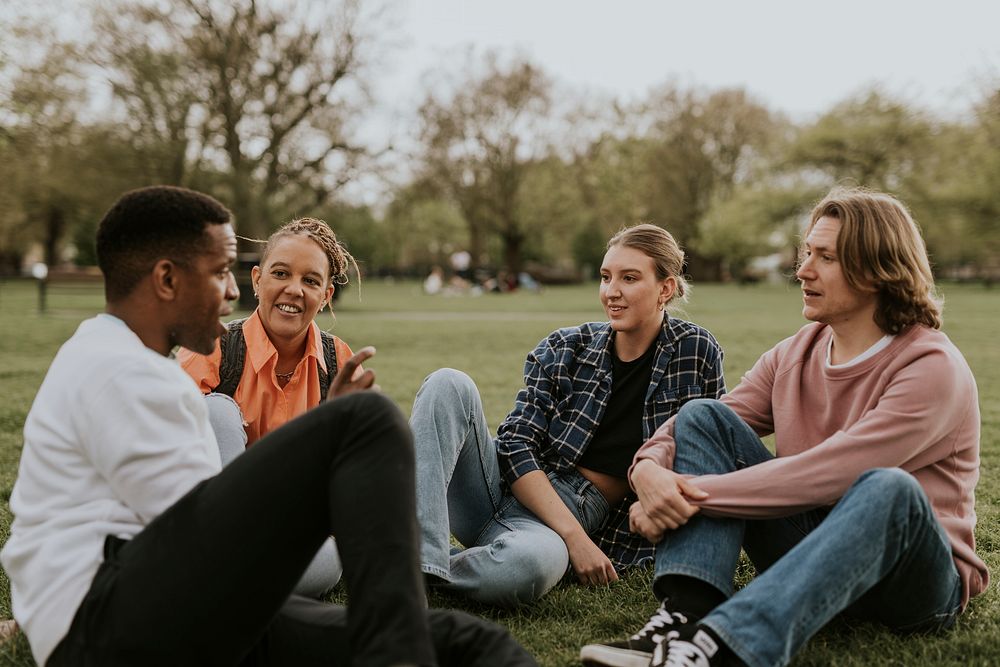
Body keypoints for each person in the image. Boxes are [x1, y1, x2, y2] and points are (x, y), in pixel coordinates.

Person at [0, 185, 535, 666]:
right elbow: (209, 556)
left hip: (166, 608)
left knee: (471, 644)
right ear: (166, 279)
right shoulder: (126, 374)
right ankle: (394, 649)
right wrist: (335, 443)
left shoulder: (109, 352)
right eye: (218, 273)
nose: (230, 292)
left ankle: (398, 637)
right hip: (110, 624)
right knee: (369, 420)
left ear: (326, 294)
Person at [581, 187, 989, 667]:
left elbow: (829, 474)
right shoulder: (797, 351)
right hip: (811, 554)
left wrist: (683, 493)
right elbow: (701, 426)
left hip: (913, 581)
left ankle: (723, 650)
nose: (803, 270)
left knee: (888, 488)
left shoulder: (931, 366)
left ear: (879, 268)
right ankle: (683, 620)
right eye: (806, 253)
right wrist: (649, 472)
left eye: (826, 257)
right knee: (703, 416)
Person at [410, 224, 726, 606]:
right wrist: (575, 539)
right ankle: (416, 562)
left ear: (666, 288)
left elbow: (706, 455)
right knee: (449, 383)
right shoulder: (566, 345)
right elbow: (515, 445)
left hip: (549, 530)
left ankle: (442, 567)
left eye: (629, 278)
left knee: (526, 566)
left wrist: (581, 534)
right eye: (606, 277)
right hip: (496, 486)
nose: (612, 291)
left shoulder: (695, 350)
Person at [178, 217, 357, 597]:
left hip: (291, 532)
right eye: (281, 274)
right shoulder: (212, 348)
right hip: (211, 521)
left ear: (325, 295)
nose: (294, 290)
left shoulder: (339, 362)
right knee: (217, 413)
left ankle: (226, 582)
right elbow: (163, 453)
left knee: (327, 561)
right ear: (257, 280)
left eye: (311, 281)